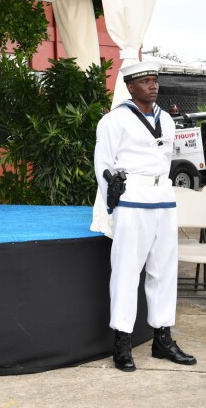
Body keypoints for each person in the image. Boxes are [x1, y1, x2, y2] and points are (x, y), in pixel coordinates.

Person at [94, 60, 197, 373]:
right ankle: (122, 342)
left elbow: (164, 160)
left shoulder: (166, 119)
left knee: (164, 271)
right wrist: (114, 196)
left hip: (163, 200)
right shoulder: (113, 121)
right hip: (132, 200)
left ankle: (162, 338)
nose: (153, 85)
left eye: (154, 80)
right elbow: (103, 163)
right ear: (130, 87)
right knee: (126, 271)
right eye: (145, 81)